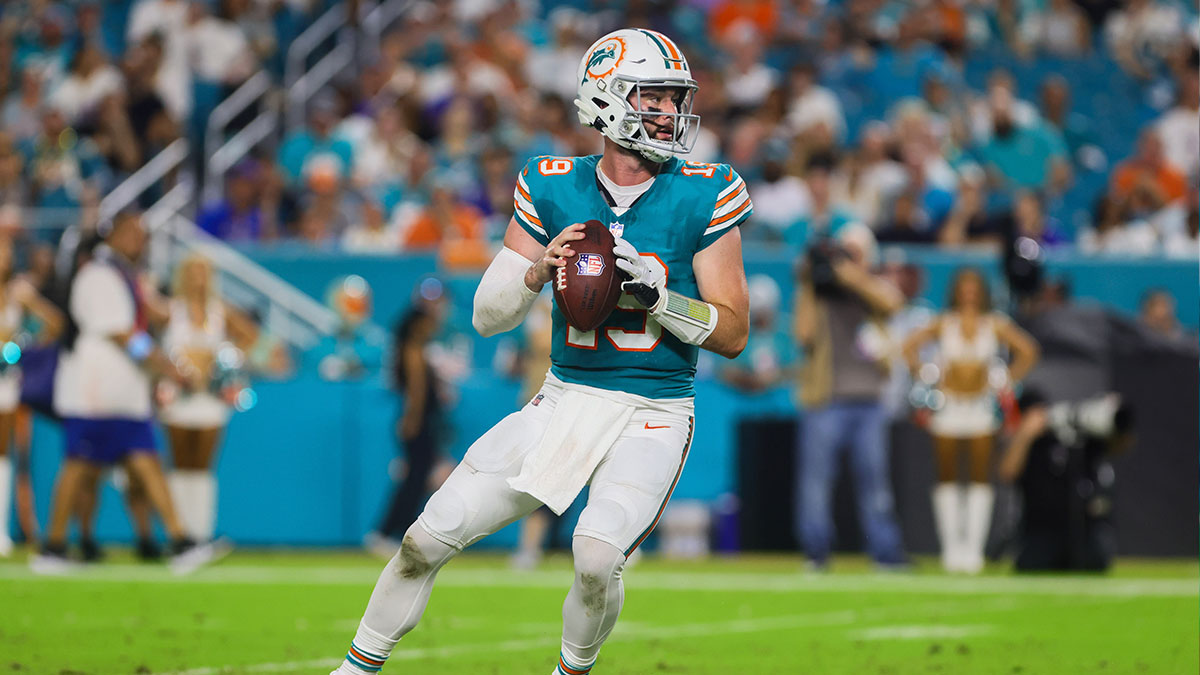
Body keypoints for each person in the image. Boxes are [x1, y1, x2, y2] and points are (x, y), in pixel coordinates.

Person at [332, 29, 751, 675]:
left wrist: (659, 296)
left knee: (594, 554)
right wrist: (534, 273)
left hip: (653, 408)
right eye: (655, 96)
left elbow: (731, 332)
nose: (670, 112)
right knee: (425, 535)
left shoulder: (706, 189)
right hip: (562, 398)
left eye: (674, 98)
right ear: (607, 100)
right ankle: (355, 668)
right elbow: (485, 316)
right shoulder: (552, 184)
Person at [33, 210, 216, 573]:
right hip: (96, 391)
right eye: (131, 231)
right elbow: (121, 333)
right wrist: (165, 365)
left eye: (142, 233)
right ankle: (52, 546)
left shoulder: (125, 275)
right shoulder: (100, 274)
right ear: (111, 234)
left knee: (143, 460)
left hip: (121, 392)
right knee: (80, 466)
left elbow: (144, 323)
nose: (139, 239)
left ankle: (181, 540)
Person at [902, 268, 1039, 573]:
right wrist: (927, 376)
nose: (969, 295)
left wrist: (1005, 380)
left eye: (974, 289)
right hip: (949, 405)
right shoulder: (944, 323)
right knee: (947, 474)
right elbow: (909, 347)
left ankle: (973, 549)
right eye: (963, 288)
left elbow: (1029, 350)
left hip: (979, 407)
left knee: (979, 475)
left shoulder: (995, 324)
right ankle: (951, 548)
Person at [793, 224, 906, 570]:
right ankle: (816, 553)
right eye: (844, 253)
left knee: (875, 483)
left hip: (869, 399)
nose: (846, 261)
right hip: (826, 397)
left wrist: (850, 275)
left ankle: (885, 554)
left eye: (854, 254)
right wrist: (810, 282)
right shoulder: (819, 292)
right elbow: (803, 335)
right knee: (816, 483)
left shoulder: (872, 288)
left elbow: (893, 303)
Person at [366, 278, 450, 555]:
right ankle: (387, 531)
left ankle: (393, 531)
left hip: (420, 415)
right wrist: (413, 416)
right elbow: (415, 380)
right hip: (419, 416)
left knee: (417, 475)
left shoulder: (411, 338)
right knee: (414, 476)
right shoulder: (414, 336)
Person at [159, 254, 234, 546]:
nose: (198, 278)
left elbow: (251, 339)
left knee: (203, 466)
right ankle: (179, 535)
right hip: (177, 398)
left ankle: (201, 533)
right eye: (192, 271)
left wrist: (221, 365)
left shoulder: (220, 313)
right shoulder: (170, 311)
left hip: (210, 400)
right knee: (179, 463)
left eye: (203, 271)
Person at [0, 236, 64, 556]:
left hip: (6, 384)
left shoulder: (18, 292)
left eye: (5, 247)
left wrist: (24, 349)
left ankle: (1, 531)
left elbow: (54, 322)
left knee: (4, 454)